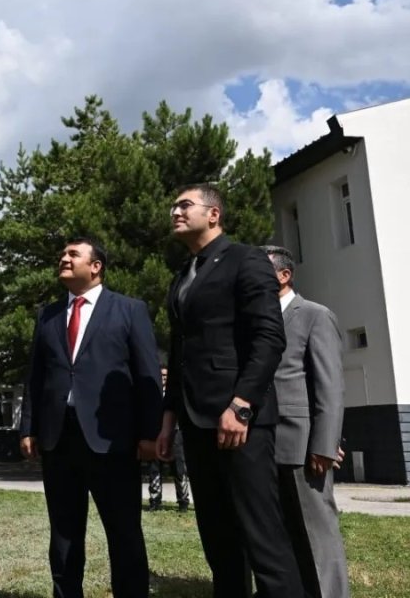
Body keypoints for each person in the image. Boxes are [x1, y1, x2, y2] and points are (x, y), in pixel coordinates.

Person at [157, 184, 302, 598]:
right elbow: (179, 352)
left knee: (262, 536)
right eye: (174, 207)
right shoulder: (183, 276)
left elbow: (269, 337)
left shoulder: (247, 260)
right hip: (195, 421)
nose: (175, 212)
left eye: (185, 205)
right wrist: (169, 420)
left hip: (239, 421)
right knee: (219, 540)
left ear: (214, 214)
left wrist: (241, 405)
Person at [19, 237, 161, 598]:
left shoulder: (129, 310)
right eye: (63, 253)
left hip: (111, 439)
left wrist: (149, 432)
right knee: (64, 532)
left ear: (95, 266)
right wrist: (29, 427)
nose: (63, 258)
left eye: (73, 254)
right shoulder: (48, 315)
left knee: (124, 530)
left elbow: (146, 373)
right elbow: (35, 377)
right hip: (58, 438)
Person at [262, 245, 349, 598]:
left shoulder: (314, 315)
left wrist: (325, 445)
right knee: (279, 533)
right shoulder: (255, 322)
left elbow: (330, 386)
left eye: (259, 271)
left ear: (284, 276)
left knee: (317, 531)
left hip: (303, 445)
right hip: (262, 445)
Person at [147, 369, 191, 512]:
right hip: (155, 432)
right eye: (161, 375)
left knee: (179, 468)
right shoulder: (153, 394)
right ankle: (155, 500)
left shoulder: (174, 394)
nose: (163, 378)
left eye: (166, 375)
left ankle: (183, 501)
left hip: (176, 433)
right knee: (154, 468)